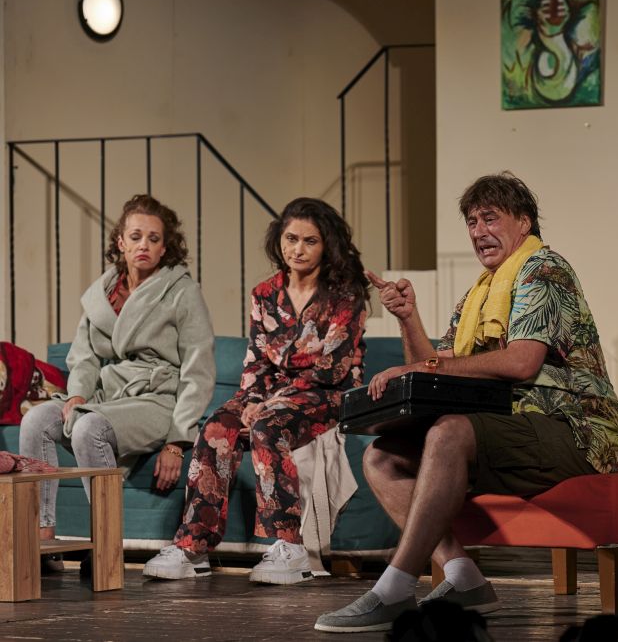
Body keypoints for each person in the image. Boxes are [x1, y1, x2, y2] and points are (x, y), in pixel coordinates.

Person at [314, 172, 618, 633]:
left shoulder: (544, 270)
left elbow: (521, 362)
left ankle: (395, 588)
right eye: (471, 222)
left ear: (524, 222)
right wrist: (408, 318)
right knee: (382, 457)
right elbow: (437, 365)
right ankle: (464, 577)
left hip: (578, 428)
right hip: (511, 423)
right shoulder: (481, 293)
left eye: (490, 218)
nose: (479, 231)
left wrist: (427, 367)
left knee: (450, 432)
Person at [143, 197, 368, 585]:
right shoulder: (265, 293)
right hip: (270, 395)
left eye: (310, 241)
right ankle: (194, 545)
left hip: (329, 394)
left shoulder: (345, 295)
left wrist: (271, 403)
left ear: (327, 245)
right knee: (216, 428)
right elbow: (257, 361)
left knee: (267, 425)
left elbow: (334, 368)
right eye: (291, 239)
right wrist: (250, 400)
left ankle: (289, 548)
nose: (298, 249)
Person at [19, 194, 215, 573]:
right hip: (108, 395)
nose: (144, 245)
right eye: (136, 237)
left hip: (157, 399)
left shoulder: (181, 292)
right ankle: (42, 541)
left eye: (154, 239)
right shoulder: (103, 292)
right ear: (121, 242)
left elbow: (198, 369)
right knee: (36, 421)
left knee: (89, 426)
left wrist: (177, 441)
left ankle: (106, 546)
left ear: (164, 248)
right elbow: (84, 356)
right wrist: (78, 393)